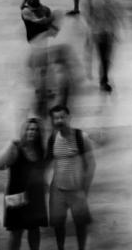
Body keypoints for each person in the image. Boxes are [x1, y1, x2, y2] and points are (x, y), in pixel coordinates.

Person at [0, 118, 48, 250]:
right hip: (16, 194)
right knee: (16, 231)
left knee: (34, 229)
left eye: (35, 130)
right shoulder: (16, 147)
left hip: (35, 195)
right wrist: (9, 145)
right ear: (24, 131)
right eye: (29, 129)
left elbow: (41, 170)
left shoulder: (40, 150)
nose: (32, 132)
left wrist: (45, 183)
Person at [47, 106, 95, 250]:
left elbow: (91, 164)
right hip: (57, 191)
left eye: (62, 117)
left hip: (77, 190)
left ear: (69, 118)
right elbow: (48, 162)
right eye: (56, 118)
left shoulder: (81, 137)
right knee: (58, 225)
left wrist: (85, 189)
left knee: (81, 224)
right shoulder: (53, 138)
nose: (60, 120)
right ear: (52, 121)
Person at [81, 0, 118, 92]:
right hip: (98, 32)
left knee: (107, 58)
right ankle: (104, 80)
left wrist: (114, 28)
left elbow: (113, 14)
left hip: (107, 31)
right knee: (103, 57)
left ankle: (104, 78)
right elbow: (88, 18)